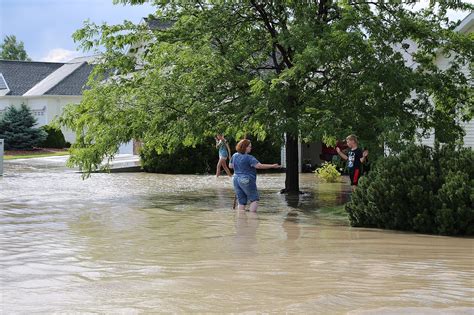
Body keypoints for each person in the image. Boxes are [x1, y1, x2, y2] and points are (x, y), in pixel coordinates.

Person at [229, 139, 280, 212]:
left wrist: (240, 166)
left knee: (241, 202)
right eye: (249, 146)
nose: (251, 148)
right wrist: (272, 166)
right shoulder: (249, 158)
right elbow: (258, 166)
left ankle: (240, 220)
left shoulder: (234, 155)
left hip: (236, 179)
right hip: (246, 180)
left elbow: (230, 166)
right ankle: (252, 219)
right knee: (254, 199)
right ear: (245, 147)